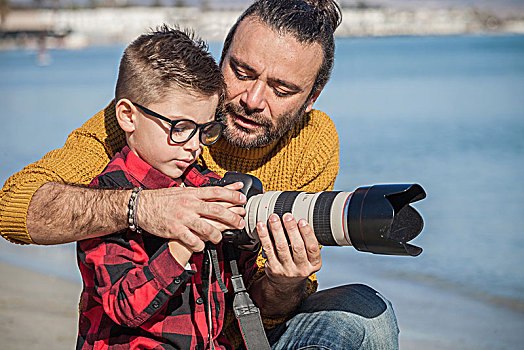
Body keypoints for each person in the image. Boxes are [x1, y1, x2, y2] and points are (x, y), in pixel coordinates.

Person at [0, 0, 399, 349]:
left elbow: (271, 310)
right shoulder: (155, 117)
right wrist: (145, 207)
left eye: (281, 89)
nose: (252, 100)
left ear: (311, 98)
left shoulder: (313, 140)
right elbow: (14, 207)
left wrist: (284, 282)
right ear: (221, 58)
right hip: (150, 332)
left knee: (368, 315)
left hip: (240, 330)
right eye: (242, 71)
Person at [77, 26, 261, 349]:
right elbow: (124, 305)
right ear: (128, 116)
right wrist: (181, 246)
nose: (194, 147)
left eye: (204, 131)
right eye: (181, 128)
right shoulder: (105, 199)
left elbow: (231, 282)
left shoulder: (200, 182)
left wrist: (247, 240)